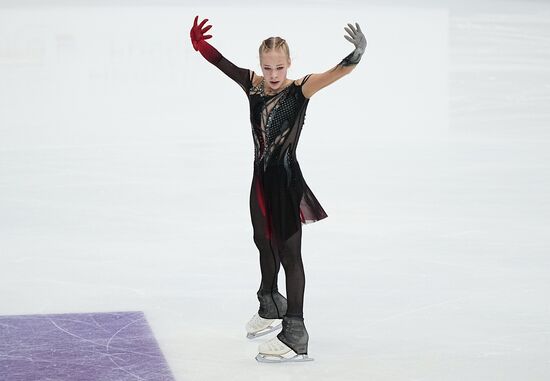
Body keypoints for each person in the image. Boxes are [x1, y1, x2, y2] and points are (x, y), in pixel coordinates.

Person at [189, 15, 366, 363]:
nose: (273, 75)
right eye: (268, 67)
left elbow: (337, 72)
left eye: (279, 67)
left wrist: (356, 54)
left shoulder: (300, 89)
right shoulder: (252, 85)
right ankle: (270, 303)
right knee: (262, 242)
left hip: (285, 183)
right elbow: (221, 63)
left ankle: (295, 331)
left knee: (289, 254)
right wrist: (200, 46)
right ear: (260, 65)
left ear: (289, 64)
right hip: (260, 181)